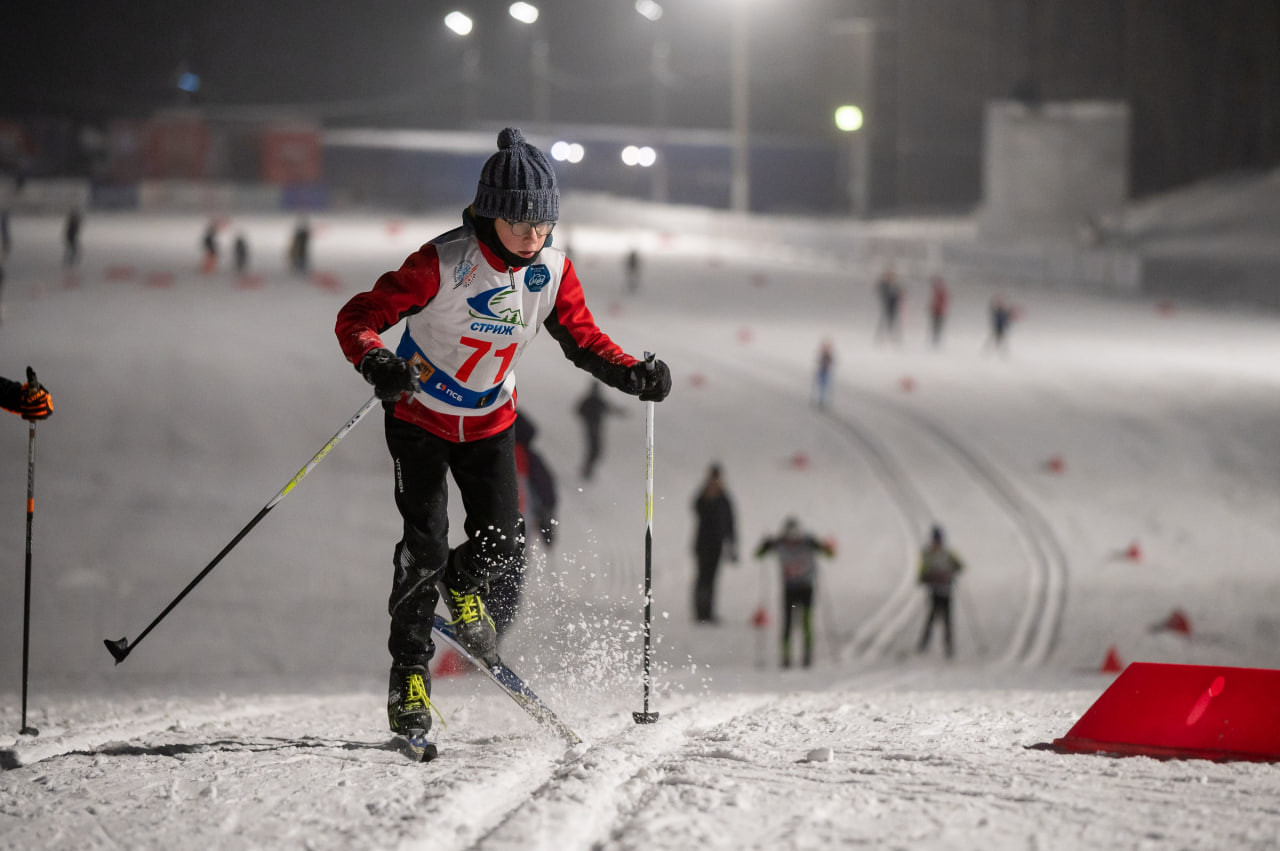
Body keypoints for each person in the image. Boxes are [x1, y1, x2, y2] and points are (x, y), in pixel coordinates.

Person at [334, 127, 672, 750]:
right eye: (522, 226)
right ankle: (409, 677)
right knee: (424, 546)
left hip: (491, 421)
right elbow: (357, 317)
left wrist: (632, 373)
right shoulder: (442, 262)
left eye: (544, 226)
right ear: (491, 213)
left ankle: (462, 588)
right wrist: (377, 362)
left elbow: (583, 340)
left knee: (503, 542)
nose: (534, 238)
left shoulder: (550, 270)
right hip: (419, 418)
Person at [487, 411, 559, 640]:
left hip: (486, 540)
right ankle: (487, 645)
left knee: (486, 596)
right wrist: (548, 528)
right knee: (506, 602)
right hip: (517, 543)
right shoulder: (530, 458)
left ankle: (476, 644)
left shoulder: (491, 452)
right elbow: (547, 497)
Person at [755, 518, 834, 668]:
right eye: (789, 539)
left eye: (795, 539)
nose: (792, 543)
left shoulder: (808, 542)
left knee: (806, 622)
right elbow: (758, 555)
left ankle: (807, 656)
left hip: (806, 588)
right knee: (788, 624)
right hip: (789, 589)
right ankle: (785, 657)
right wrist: (764, 545)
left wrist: (824, 546)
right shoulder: (779, 543)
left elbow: (830, 554)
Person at [691, 463, 738, 623]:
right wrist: (707, 494)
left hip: (716, 545)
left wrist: (732, 545)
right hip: (703, 544)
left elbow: (730, 522)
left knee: (711, 579)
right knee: (702, 578)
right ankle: (700, 612)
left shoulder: (723, 497)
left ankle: (708, 611)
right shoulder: (705, 495)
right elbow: (696, 508)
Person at [917, 525, 964, 659]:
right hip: (934, 591)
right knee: (931, 618)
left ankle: (949, 647)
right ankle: (924, 645)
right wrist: (925, 577)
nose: (936, 542)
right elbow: (922, 571)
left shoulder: (947, 554)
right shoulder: (928, 554)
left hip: (947, 591)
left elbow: (960, 565)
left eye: (938, 539)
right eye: (935, 539)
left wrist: (954, 569)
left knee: (947, 620)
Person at [575, 380, 623, 480]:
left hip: (594, 428)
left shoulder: (593, 400)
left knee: (595, 450)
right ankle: (586, 471)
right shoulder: (592, 400)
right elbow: (579, 411)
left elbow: (610, 408)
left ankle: (587, 471)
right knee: (595, 450)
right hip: (593, 428)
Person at [873, 264, 903, 344]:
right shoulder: (884, 284)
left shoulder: (895, 284)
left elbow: (899, 293)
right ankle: (881, 338)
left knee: (893, 320)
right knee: (884, 320)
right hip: (886, 303)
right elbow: (878, 290)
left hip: (893, 304)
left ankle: (893, 337)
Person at [927, 275, 949, 347]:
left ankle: (936, 340)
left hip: (939, 312)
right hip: (936, 311)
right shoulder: (936, 292)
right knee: (935, 326)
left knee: (937, 326)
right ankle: (935, 339)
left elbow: (942, 302)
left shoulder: (942, 292)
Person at [812, 340, 835, 409]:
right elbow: (819, 362)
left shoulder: (828, 355)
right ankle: (821, 400)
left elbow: (831, 363)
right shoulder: (823, 355)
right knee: (821, 387)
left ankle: (824, 400)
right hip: (822, 372)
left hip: (826, 373)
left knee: (825, 387)